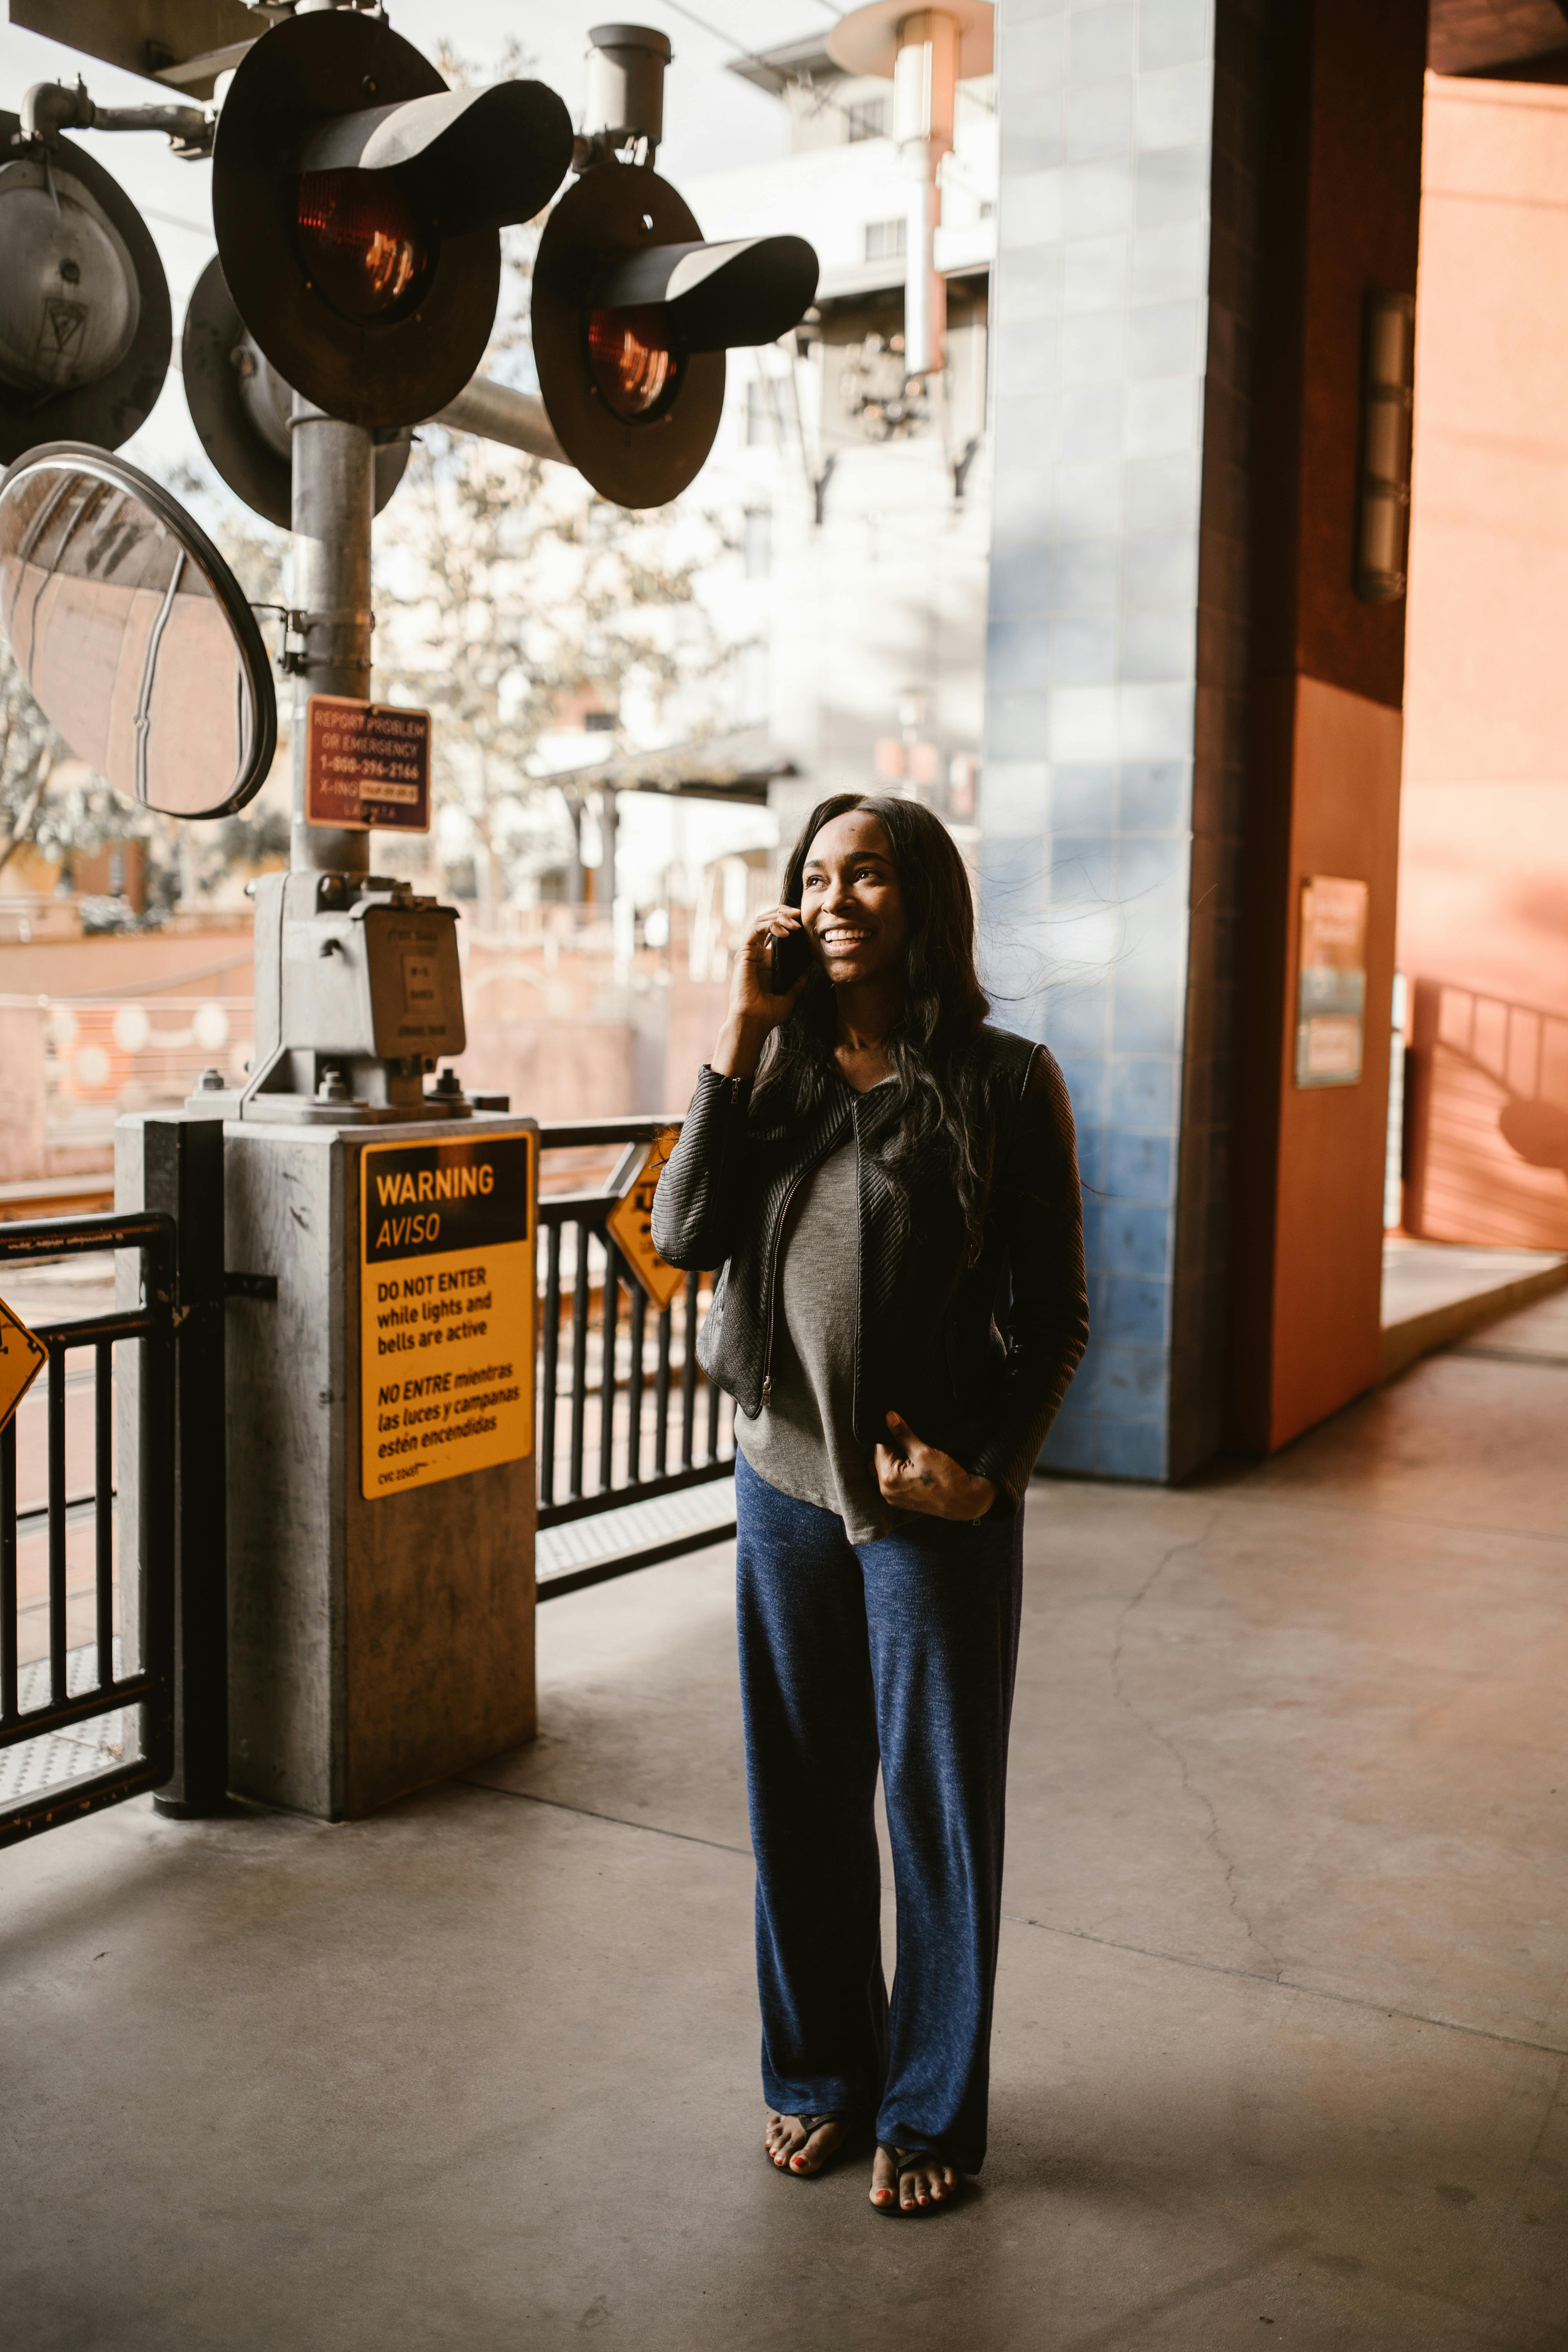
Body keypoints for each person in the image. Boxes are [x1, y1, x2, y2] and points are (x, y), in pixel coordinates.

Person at [651, 794, 1088, 2215]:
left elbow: (1056, 1317)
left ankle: (929, 2111)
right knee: (802, 1800)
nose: (836, 897)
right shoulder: (771, 1069)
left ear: (925, 900)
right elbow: (679, 1234)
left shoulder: (1008, 1084)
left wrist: (989, 1476)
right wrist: (736, 1027)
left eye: (869, 873)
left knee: (935, 1811)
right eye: (815, 875)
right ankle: (821, 2076)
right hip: (782, 1483)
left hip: (930, 1509)